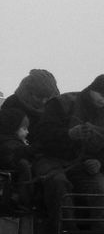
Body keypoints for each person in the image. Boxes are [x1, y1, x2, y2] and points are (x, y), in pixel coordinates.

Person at [31, 73, 104, 229]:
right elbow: (41, 134)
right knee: (58, 184)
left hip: (83, 167)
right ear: (93, 88)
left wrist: (100, 163)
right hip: (50, 160)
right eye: (102, 95)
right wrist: (68, 134)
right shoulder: (62, 104)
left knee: (100, 192)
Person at [0, 69, 60, 209]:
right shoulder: (13, 103)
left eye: (48, 97)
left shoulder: (55, 105)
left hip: (45, 154)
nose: (44, 101)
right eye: (39, 97)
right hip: (20, 153)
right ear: (29, 91)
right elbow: (5, 135)